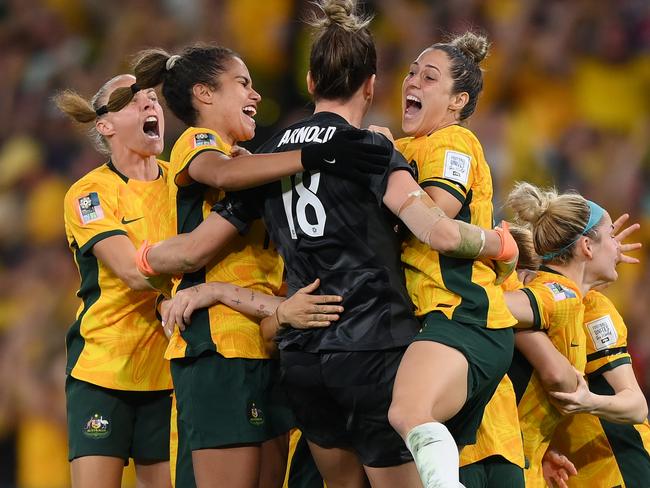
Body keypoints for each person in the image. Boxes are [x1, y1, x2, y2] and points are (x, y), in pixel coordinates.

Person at [135, 2, 518, 487]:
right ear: (371, 86)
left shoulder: (270, 158)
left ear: (311, 82)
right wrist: (498, 244)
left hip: (303, 354)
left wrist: (162, 266)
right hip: (374, 344)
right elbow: (432, 224)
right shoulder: (370, 149)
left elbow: (199, 245)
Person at [124, 42, 387, 488]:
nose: (257, 95)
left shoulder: (254, 164)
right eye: (242, 84)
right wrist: (314, 155)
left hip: (267, 341)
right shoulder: (200, 142)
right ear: (205, 95)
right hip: (218, 346)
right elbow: (220, 177)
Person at [386, 32, 518, 488]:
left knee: (406, 410)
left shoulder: (453, 141)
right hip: (433, 317)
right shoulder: (403, 148)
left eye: (429, 77)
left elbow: (436, 213)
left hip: (463, 311)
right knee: (417, 444)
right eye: (410, 72)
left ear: (458, 100)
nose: (412, 82)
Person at [57, 74, 173, 488]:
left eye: (154, 99)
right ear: (104, 125)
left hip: (169, 372)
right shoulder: (89, 193)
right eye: (134, 101)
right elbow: (130, 271)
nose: (150, 106)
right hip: (104, 370)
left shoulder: (184, 183)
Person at [502, 182, 621, 488]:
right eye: (611, 236)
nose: (618, 245)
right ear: (586, 247)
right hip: (502, 461)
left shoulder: (573, 298)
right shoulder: (559, 295)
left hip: (524, 460)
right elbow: (498, 305)